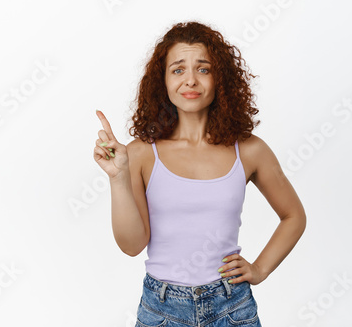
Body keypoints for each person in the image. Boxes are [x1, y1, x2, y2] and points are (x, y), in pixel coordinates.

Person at [94, 21, 306, 327]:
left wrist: (260, 269)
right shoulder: (140, 153)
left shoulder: (249, 150)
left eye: (203, 69)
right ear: (163, 81)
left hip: (232, 308)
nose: (190, 80)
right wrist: (117, 177)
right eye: (178, 70)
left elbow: (294, 216)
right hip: (162, 310)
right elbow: (132, 245)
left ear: (220, 78)